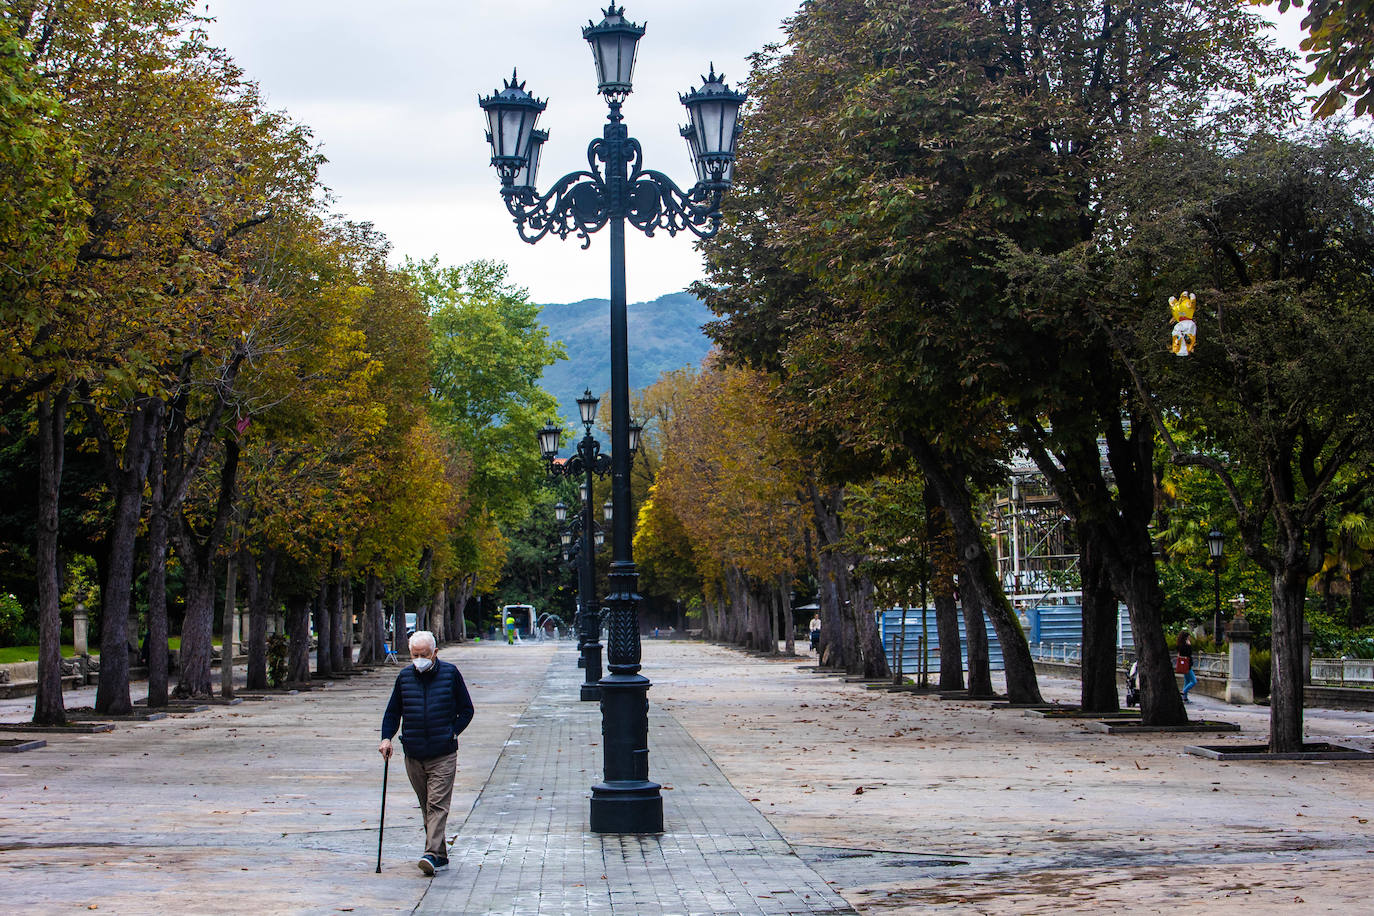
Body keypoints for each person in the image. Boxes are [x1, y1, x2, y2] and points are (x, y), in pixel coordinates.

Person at [379, 631, 474, 876]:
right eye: (415, 655)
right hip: (413, 753)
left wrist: (452, 733)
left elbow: (467, 709)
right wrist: (386, 738)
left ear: (435, 653)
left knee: (437, 805)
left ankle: (430, 854)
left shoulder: (450, 674)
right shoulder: (404, 677)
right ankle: (440, 856)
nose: (419, 659)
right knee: (426, 806)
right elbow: (393, 712)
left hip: (443, 753)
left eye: (424, 654)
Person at [1177, 630, 1196, 703]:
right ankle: (1183, 692)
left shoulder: (1180, 645)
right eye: (1188, 637)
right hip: (1187, 665)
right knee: (1194, 681)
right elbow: (1189, 654)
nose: (1189, 638)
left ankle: (1185, 698)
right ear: (1186, 637)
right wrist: (1189, 645)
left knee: (1187, 681)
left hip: (1184, 665)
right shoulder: (1186, 645)